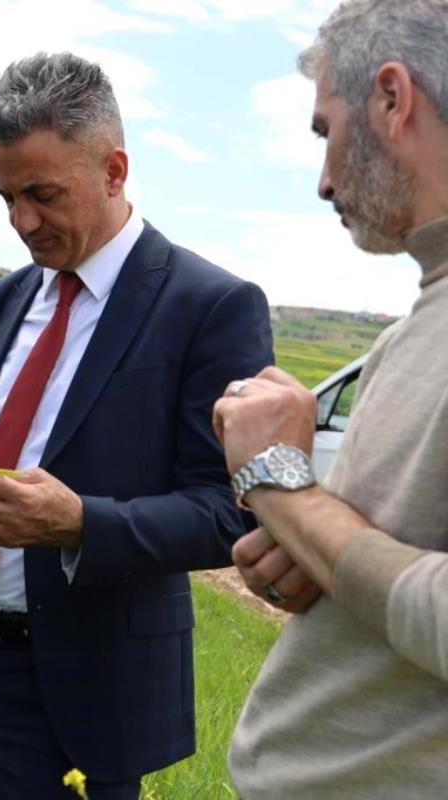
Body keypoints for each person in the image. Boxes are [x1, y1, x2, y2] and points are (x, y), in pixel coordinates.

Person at [0, 52, 273, 798]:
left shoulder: (210, 308)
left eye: (43, 194)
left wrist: (79, 524)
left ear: (114, 170)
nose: (22, 222)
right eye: (6, 197)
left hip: (84, 692)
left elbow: (224, 513)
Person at [218, 1, 448, 797]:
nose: (322, 180)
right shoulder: (417, 325)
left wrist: (274, 479)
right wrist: (304, 548)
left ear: (392, 97)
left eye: (326, 131)